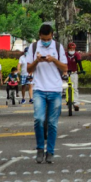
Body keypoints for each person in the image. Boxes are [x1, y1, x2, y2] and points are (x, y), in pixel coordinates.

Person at [25, 24, 68, 164]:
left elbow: (65, 67)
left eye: (48, 39)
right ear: (39, 36)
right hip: (39, 89)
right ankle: (39, 149)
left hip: (55, 89)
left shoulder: (57, 47)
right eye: (43, 39)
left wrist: (54, 60)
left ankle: (50, 151)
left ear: (52, 35)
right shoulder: (33, 47)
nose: (46, 42)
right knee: (38, 119)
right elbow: (28, 69)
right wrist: (37, 60)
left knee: (52, 123)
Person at [65, 43, 84, 111]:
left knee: (75, 88)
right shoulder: (65, 54)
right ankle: (67, 99)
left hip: (74, 72)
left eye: (73, 49)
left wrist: (81, 70)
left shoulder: (76, 54)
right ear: (68, 49)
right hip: (65, 72)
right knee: (65, 87)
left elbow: (79, 62)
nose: (72, 50)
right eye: (70, 49)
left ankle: (76, 103)